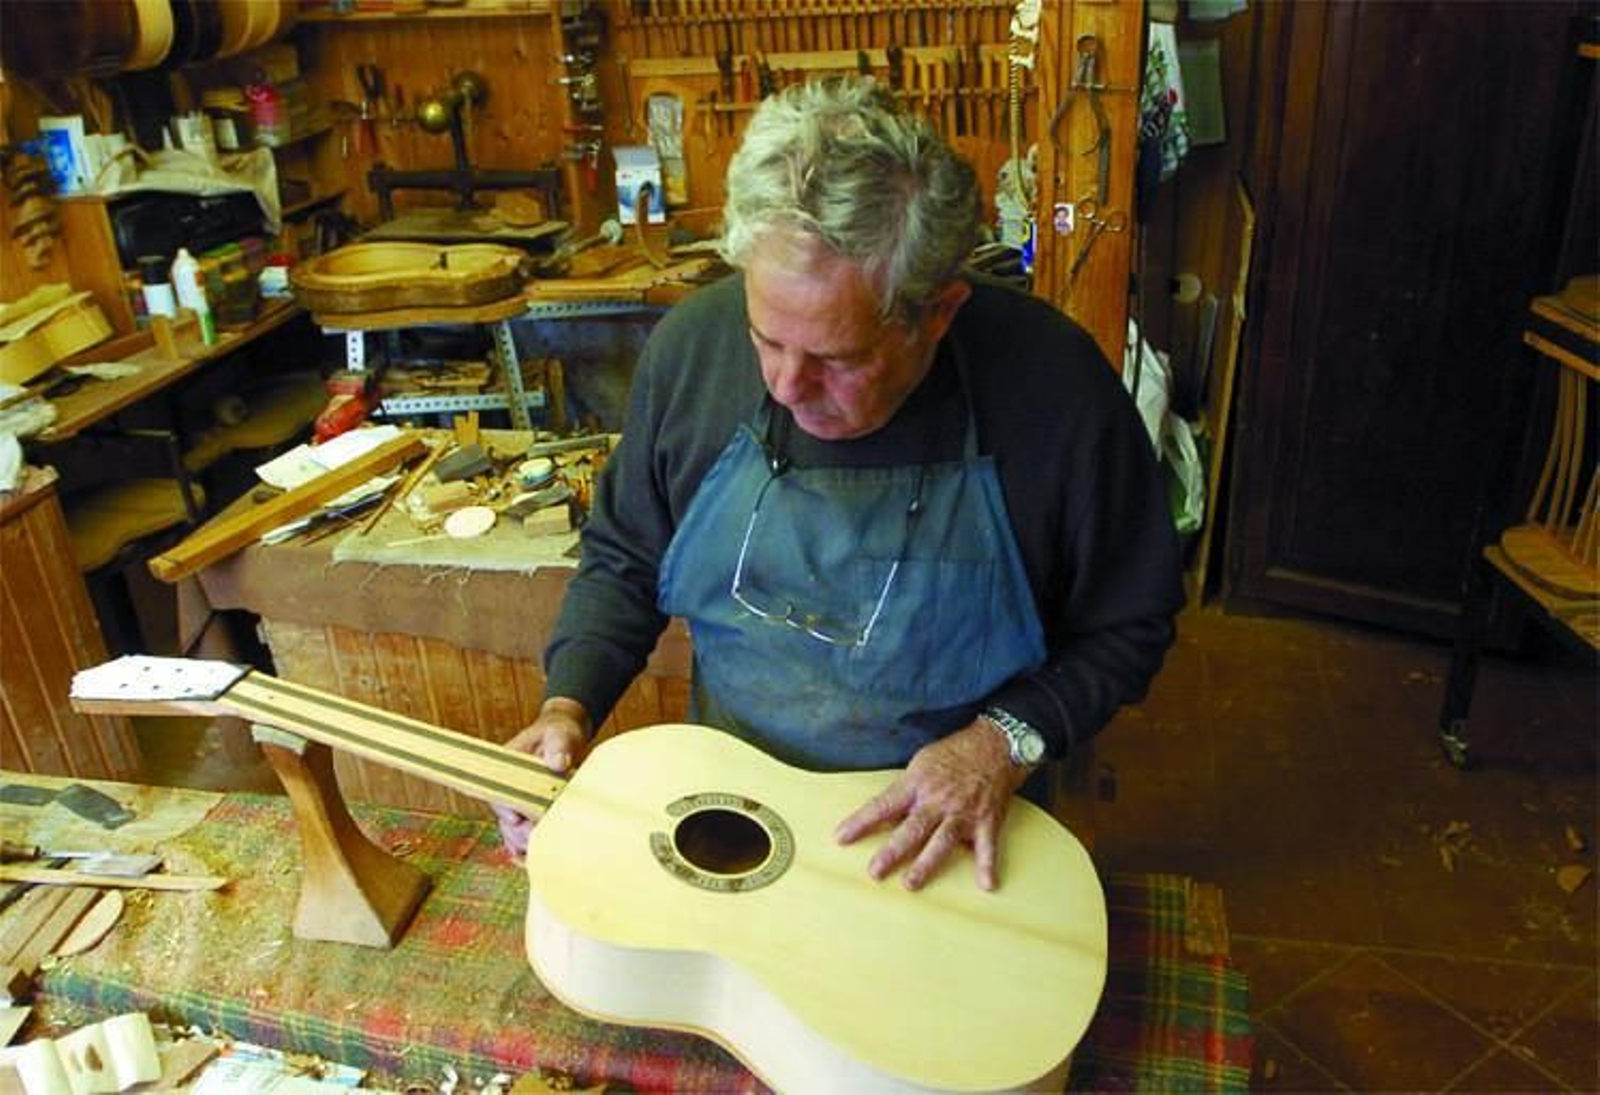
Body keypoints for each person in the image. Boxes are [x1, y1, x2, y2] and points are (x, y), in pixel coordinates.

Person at [495, 77, 1182, 892]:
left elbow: (1130, 622)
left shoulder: (1054, 387)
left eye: (838, 358)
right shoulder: (689, 353)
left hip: (947, 824)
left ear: (938, 312)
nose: (786, 384)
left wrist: (1002, 742)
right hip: (736, 808)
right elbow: (625, 558)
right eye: (765, 338)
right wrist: (566, 705)